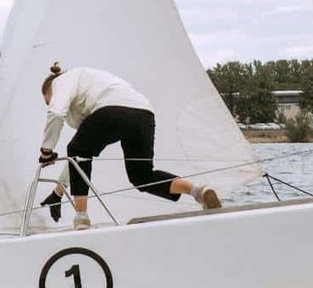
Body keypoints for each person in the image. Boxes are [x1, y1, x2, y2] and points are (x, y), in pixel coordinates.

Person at [38, 62, 220, 231]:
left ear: (50, 88)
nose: (49, 104)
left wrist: (46, 151)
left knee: (77, 149)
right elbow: (77, 162)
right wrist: (58, 193)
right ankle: (198, 190)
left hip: (112, 110)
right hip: (144, 114)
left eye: (47, 100)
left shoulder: (61, 81)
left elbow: (56, 114)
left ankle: (81, 220)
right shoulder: (89, 88)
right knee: (141, 176)